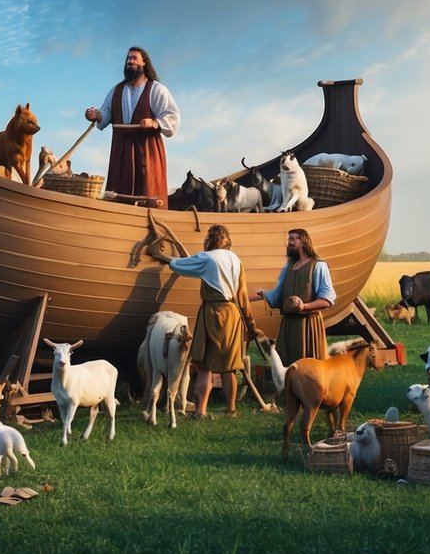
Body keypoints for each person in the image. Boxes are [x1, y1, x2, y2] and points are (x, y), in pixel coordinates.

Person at [163, 224, 251, 418]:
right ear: (227, 240)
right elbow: (242, 295)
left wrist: (163, 258)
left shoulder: (206, 258)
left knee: (204, 365)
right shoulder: (236, 260)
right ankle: (231, 410)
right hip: (233, 314)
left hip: (211, 312)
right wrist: (250, 324)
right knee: (230, 366)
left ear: (210, 239)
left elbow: (177, 265)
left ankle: (201, 411)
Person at [84, 46, 180, 206]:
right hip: (121, 151)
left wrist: (155, 123)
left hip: (146, 150)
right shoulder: (117, 90)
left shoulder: (156, 89)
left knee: (148, 192)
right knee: (118, 193)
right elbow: (106, 112)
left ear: (144, 63)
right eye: (128, 59)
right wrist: (96, 115)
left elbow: (172, 115)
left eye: (134, 58)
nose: (130, 62)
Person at [254, 229, 336, 367]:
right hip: (289, 325)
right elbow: (276, 295)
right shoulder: (289, 266)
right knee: (287, 367)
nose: (290, 242)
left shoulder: (318, 266)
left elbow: (327, 299)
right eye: (289, 239)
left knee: (308, 368)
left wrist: (304, 306)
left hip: (308, 325)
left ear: (303, 241)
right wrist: (248, 297)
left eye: (293, 239)